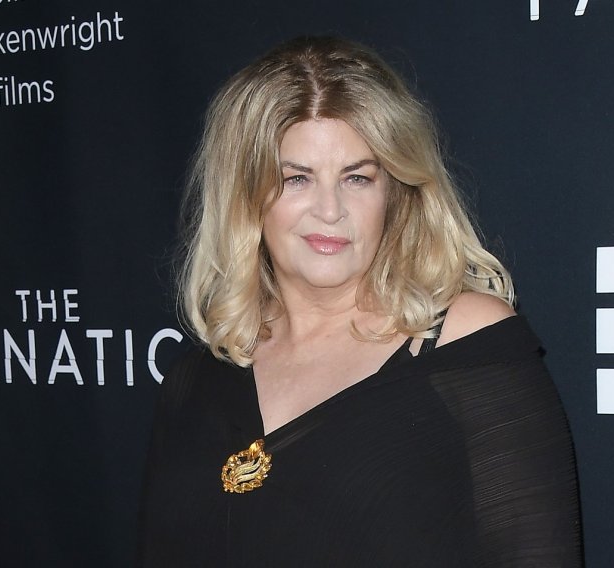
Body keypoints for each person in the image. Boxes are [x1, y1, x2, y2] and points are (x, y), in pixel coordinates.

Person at [137, 36, 582, 567]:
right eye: (296, 178)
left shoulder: (463, 344)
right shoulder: (196, 380)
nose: (330, 210)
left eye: (357, 178)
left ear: (395, 191)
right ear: (245, 196)